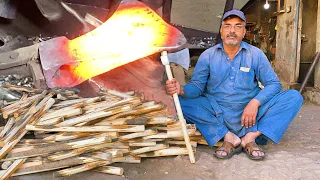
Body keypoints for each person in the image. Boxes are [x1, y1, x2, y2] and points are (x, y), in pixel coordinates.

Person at [165, 9, 303, 160]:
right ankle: (228, 136)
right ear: (221, 31)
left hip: (250, 114)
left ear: (244, 32)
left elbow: (274, 84)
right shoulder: (208, 56)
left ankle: (251, 136)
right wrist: (181, 90)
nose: (232, 30)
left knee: (294, 97)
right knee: (178, 102)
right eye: (227, 26)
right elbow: (197, 87)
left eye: (238, 26)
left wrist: (255, 103)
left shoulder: (255, 54)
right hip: (217, 112)